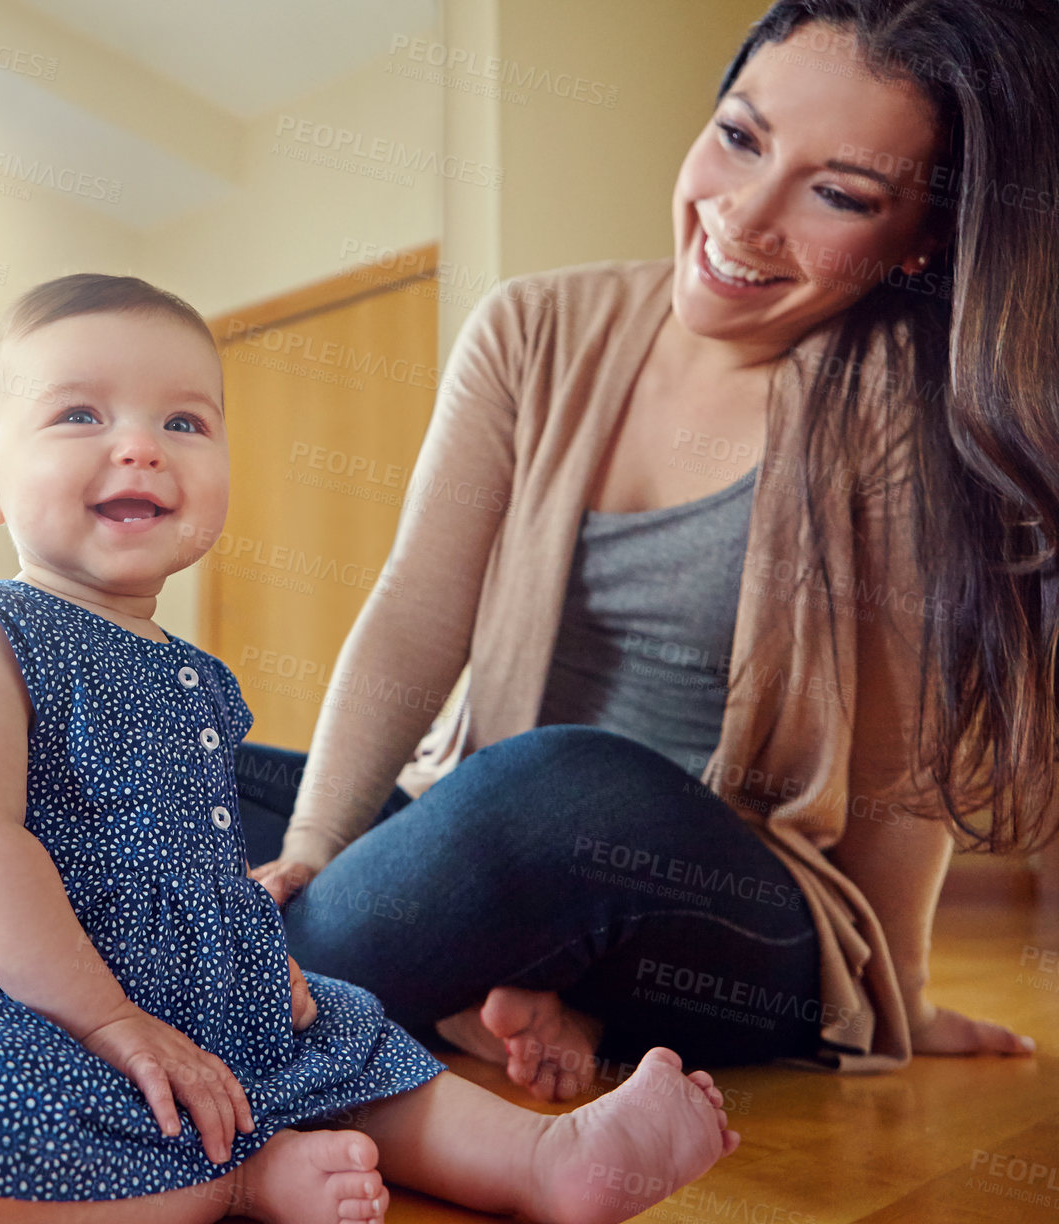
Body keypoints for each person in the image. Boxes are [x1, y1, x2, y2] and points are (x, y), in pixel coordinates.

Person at [0, 274, 741, 1224]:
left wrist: (252, 962)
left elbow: (198, 854)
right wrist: (107, 1024)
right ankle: (239, 1185)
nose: (140, 448)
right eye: (79, 417)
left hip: (186, 998)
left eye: (183, 423)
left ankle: (545, 1163)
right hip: (8, 991)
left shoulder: (194, 676)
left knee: (351, 1035)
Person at [243, 0, 1059, 1107]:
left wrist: (896, 997)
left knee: (559, 787)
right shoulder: (529, 329)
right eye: (739, 136)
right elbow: (415, 608)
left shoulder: (899, 413)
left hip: (719, 903)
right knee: (150, 762)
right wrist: (312, 851)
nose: (745, 217)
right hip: (487, 829)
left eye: (838, 194)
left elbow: (897, 766)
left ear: (918, 240)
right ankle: (445, 986)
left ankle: (211, 1003)